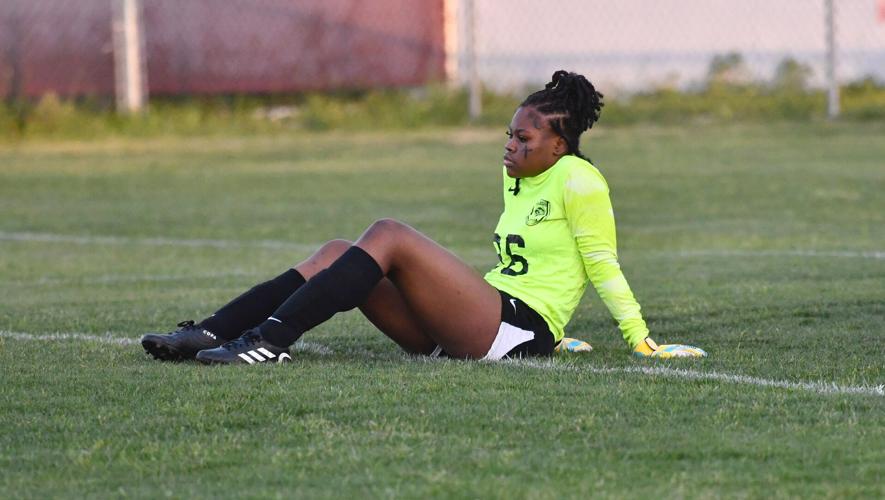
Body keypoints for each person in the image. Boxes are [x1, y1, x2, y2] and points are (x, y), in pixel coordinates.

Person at [141, 70, 706, 365]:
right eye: (508, 133)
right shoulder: (518, 174)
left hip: (515, 331)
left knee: (389, 234)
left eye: (523, 137)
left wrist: (641, 341)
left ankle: (266, 343)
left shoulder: (580, 180)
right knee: (340, 250)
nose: (509, 145)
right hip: (471, 323)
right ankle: (213, 331)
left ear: (559, 145)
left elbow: (600, 264)